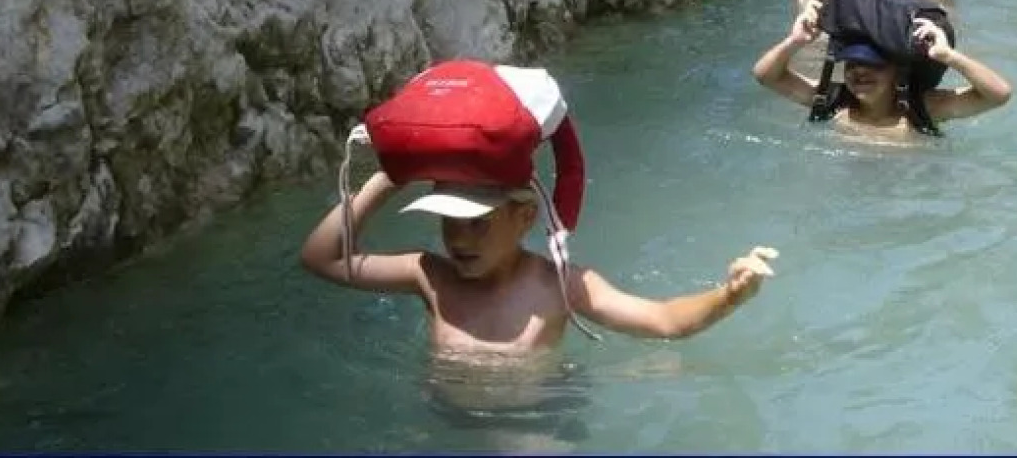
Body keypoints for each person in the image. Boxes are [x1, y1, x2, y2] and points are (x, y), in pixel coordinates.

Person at [300, 172, 779, 355]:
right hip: (443, 420)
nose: (458, 238)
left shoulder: (560, 286)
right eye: (448, 221)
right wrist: (387, 179)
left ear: (525, 217)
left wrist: (732, 292)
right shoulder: (427, 274)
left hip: (529, 424)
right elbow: (321, 259)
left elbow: (663, 321)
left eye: (477, 222)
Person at [751, 10, 1012, 141]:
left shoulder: (923, 107)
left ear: (897, 70)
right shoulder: (831, 101)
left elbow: (999, 94)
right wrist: (795, 41)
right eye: (852, 64)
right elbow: (766, 76)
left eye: (873, 65)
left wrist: (949, 57)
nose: (860, 72)